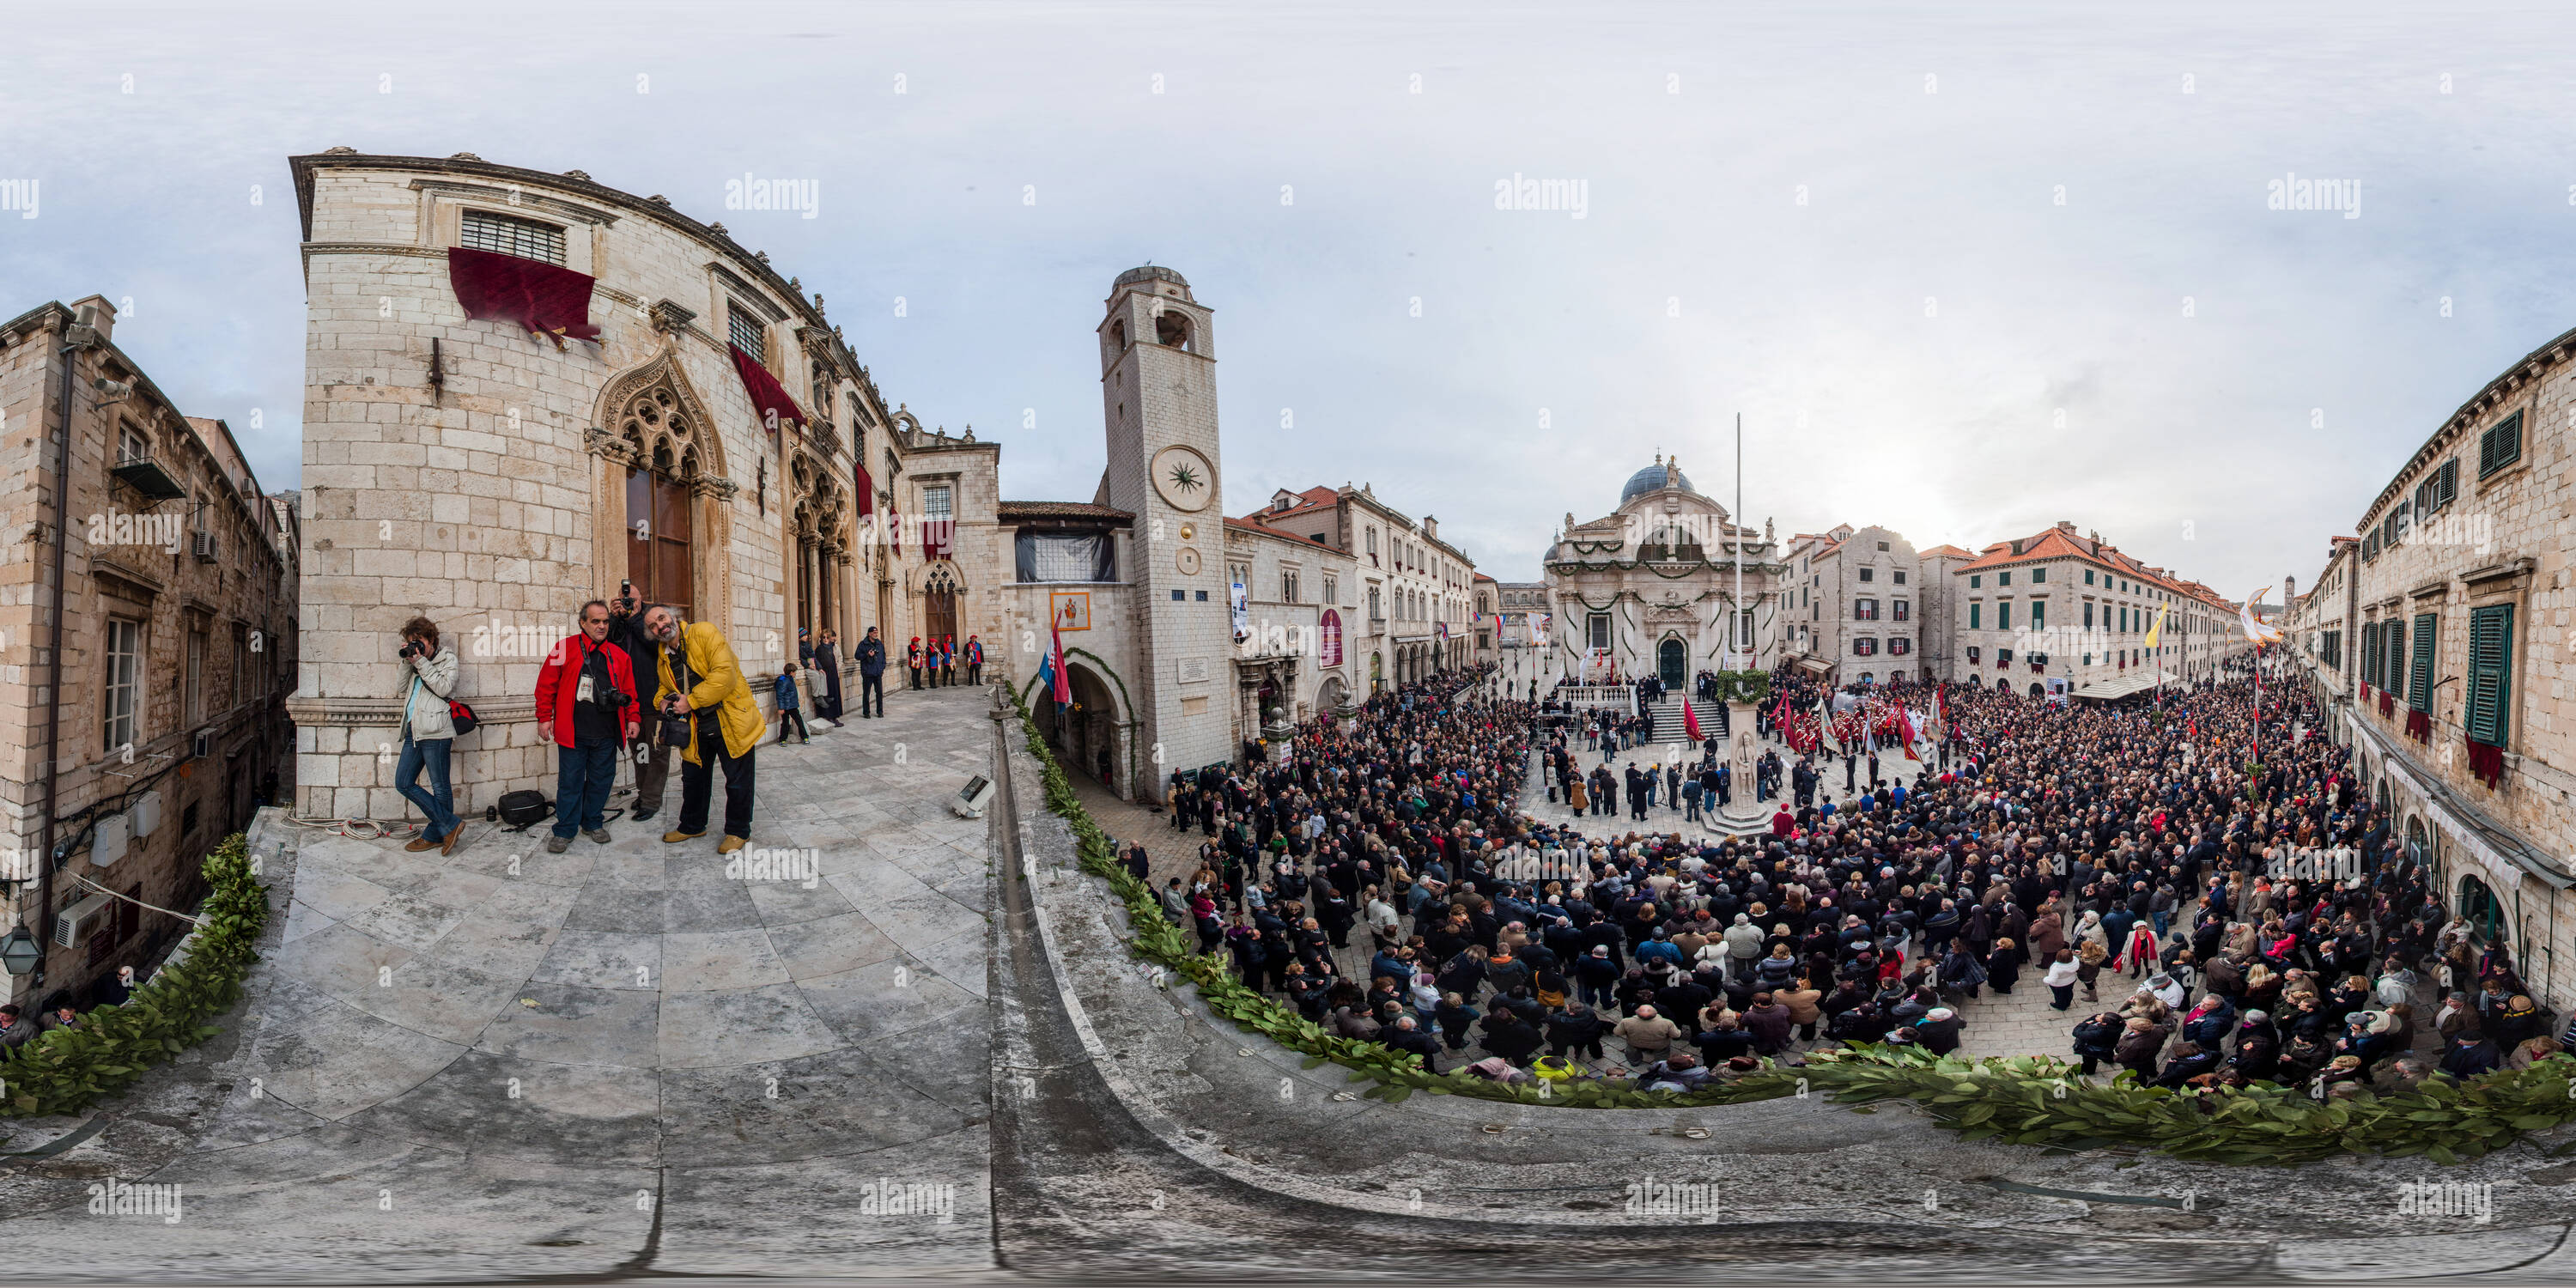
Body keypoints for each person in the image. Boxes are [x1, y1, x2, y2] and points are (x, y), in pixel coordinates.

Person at [644, 605, 761, 854]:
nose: (660, 626)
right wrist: (661, 702)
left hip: (729, 720)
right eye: (653, 625)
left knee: (738, 782)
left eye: (662, 618)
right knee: (693, 779)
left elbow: (725, 675)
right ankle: (692, 825)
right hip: (696, 727)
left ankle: (738, 831)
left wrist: (691, 701)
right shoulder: (663, 655)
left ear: (673, 617)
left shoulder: (704, 632)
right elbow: (664, 688)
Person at [534, 600, 643, 854]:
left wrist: (633, 718)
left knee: (601, 781)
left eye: (605, 621)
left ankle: (593, 822)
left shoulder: (620, 656)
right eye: (595, 621)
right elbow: (546, 686)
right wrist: (544, 717)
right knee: (570, 783)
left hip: (606, 732)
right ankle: (565, 829)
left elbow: (630, 692)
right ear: (583, 623)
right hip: (574, 733)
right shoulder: (563, 648)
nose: (602, 626)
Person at [392, 615, 465, 855]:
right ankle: (451, 825)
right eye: (412, 642)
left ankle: (435, 835)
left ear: (431, 639)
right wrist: (407, 662)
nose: (416, 646)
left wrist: (422, 662)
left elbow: (444, 688)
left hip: (436, 731)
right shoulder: (414, 662)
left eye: (419, 641)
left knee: (440, 788)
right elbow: (401, 689)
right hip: (414, 729)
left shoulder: (447, 660)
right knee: (403, 782)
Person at [606, 586, 676, 823]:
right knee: (640, 751)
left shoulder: (651, 617)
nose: (628, 603)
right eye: (624, 600)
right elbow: (608, 646)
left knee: (657, 752)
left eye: (632, 600)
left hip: (656, 698)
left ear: (641, 598)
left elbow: (656, 645)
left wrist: (635, 618)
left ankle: (651, 801)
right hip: (630, 701)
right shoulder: (620, 620)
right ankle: (644, 793)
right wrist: (615, 619)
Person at [811, 628, 844, 726]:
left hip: (833, 674)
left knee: (834, 695)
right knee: (827, 695)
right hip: (825, 675)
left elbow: (838, 659)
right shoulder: (819, 649)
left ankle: (834, 717)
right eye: (823, 637)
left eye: (827, 637)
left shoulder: (831, 647)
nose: (825, 639)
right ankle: (828, 716)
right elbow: (818, 661)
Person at [854, 626, 888, 718]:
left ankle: (880, 711)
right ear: (869, 634)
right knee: (866, 693)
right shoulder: (863, 644)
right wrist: (867, 654)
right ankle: (866, 712)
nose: (876, 634)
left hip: (878, 672)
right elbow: (857, 656)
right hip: (867, 672)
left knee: (879, 693)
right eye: (874, 633)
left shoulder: (880, 644)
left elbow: (883, 657)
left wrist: (882, 668)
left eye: (877, 632)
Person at [775, 661, 811, 744]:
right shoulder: (784, 681)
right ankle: (782, 739)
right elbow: (780, 695)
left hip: (792, 705)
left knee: (799, 721)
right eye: (795, 672)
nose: (796, 674)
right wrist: (781, 708)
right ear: (791, 672)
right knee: (786, 723)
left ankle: (804, 737)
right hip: (787, 706)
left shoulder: (789, 679)